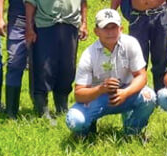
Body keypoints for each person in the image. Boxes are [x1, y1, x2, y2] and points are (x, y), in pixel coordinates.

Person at [66, 9, 157, 138]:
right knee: (75, 121)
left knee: (150, 97)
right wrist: (101, 89)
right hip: (98, 96)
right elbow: (79, 94)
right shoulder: (89, 55)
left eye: (114, 27)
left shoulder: (131, 44)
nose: (110, 32)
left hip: (126, 92)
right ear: (96, 31)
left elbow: (142, 76)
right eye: (105, 28)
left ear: (121, 28)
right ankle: (85, 134)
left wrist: (125, 93)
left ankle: (132, 132)